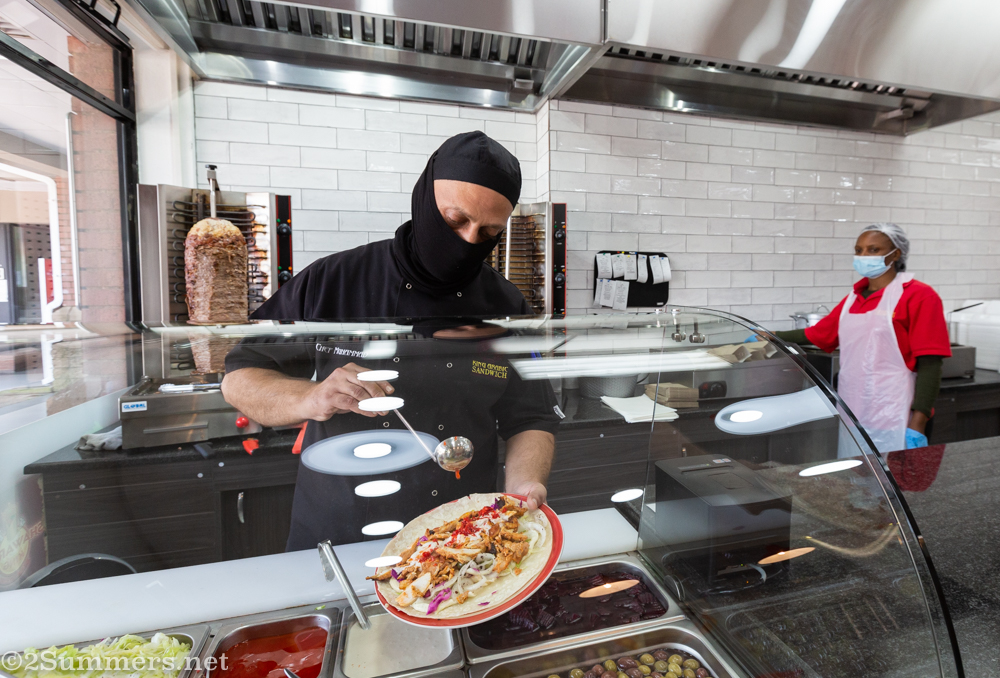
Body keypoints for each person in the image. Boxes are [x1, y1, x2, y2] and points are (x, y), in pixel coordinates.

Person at [221, 131, 559, 548]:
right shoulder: (333, 280)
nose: (468, 241)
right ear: (424, 199)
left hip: (462, 534)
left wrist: (523, 488)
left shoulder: (506, 304)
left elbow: (531, 417)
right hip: (341, 534)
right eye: (455, 220)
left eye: (488, 231)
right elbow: (240, 376)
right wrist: (311, 397)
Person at [773, 223, 951, 453]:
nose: (864, 256)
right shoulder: (854, 297)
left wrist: (919, 420)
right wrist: (772, 336)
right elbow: (819, 333)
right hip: (854, 411)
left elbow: (931, 363)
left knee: (894, 474)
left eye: (873, 250)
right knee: (856, 472)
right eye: (859, 250)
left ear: (895, 254)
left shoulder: (919, 296)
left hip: (897, 413)